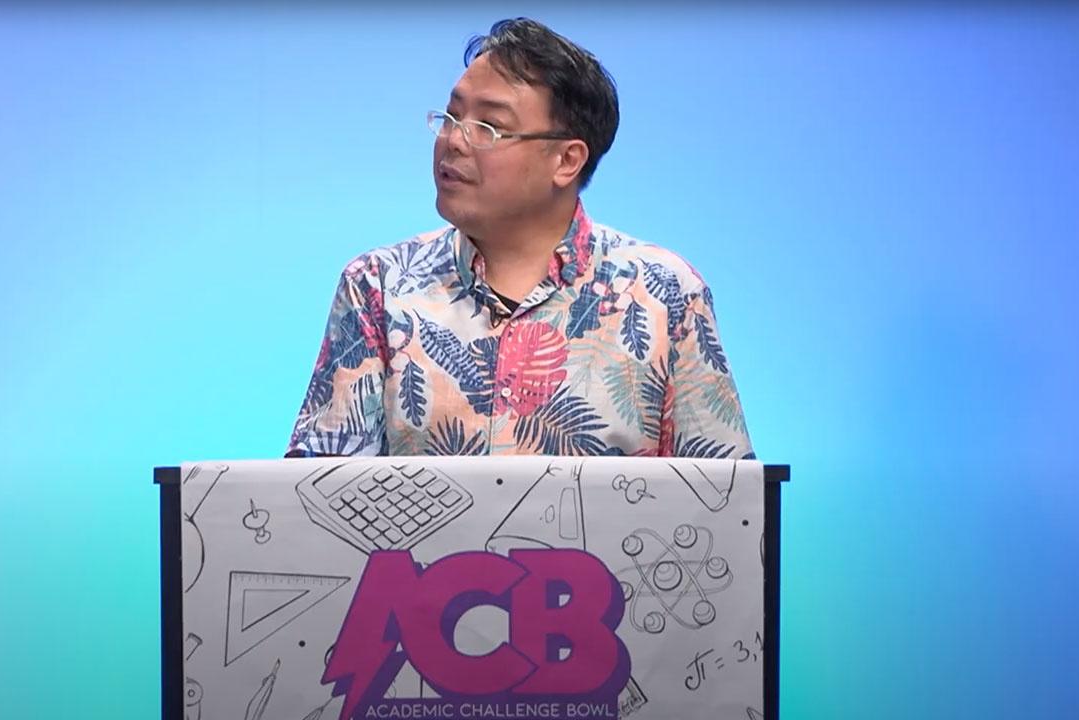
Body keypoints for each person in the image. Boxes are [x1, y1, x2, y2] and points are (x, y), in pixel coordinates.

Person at [286, 18, 753, 459]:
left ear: (567, 160)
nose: (453, 140)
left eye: (488, 127)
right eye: (450, 117)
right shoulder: (378, 287)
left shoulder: (664, 294)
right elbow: (318, 499)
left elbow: (722, 503)